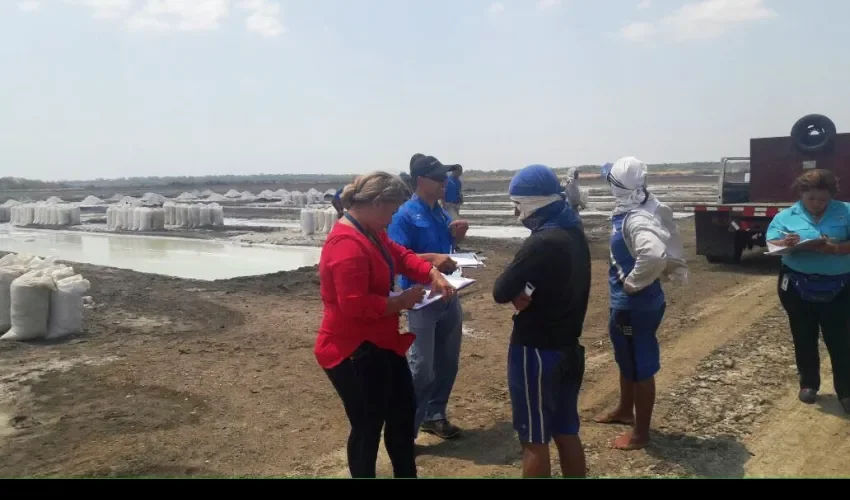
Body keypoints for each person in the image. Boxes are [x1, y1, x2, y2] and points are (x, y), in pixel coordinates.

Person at [314, 171, 458, 478]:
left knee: (402, 414)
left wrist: (430, 272)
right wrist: (400, 301)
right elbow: (354, 305)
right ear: (377, 203)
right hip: (352, 349)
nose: (393, 219)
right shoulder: (346, 243)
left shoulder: (371, 231)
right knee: (367, 425)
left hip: (381, 342)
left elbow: (400, 255)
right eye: (392, 212)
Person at [492, 164, 591, 478]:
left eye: (518, 206)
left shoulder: (541, 241)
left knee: (533, 440)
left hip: (536, 352)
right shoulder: (573, 231)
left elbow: (500, 290)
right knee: (565, 431)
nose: (517, 214)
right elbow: (551, 280)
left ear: (531, 203)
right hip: (568, 347)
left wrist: (520, 290)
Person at [593, 156, 688, 451]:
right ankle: (624, 410)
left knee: (640, 368)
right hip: (633, 303)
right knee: (627, 360)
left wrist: (633, 283)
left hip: (635, 305)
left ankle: (640, 434)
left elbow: (655, 254)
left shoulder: (636, 218)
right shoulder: (636, 207)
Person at [388, 154, 470, 440]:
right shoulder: (404, 215)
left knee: (448, 361)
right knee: (422, 367)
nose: (444, 182)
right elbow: (397, 256)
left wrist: (457, 239)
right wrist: (434, 258)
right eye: (439, 178)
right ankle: (404, 431)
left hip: (448, 294)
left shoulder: (440, 211)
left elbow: (447, 251)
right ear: (422, 181)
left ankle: (435, 415)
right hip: (422, 298)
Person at [765, 169, 850, 414]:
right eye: (811, 198)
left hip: (840, 286)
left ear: (832, 196)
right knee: (803, 335)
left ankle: (845, 390)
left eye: (823, 199)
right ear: (802, 194)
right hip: (796, 286)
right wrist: (786, 244)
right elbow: (772, 244)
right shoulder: (785, 216)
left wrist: (836, 249)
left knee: (840, 338)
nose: (817, 204)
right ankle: (808, 384)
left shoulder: (846, 211)